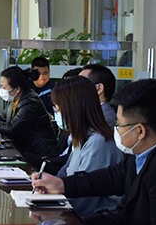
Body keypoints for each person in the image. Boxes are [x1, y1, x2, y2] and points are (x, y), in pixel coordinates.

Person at [32, 79, 156, 225]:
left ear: (140, 131)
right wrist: (62, 185)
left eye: (119, 125)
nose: (116, 130)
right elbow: (114, 176)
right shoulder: (141, 151)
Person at [51, 76, 122, 216]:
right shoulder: (82, 137)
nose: (57, 114)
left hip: (91, 220)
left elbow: (82, 201)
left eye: (58, 110)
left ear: (73, 109)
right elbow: (65, 173)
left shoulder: (97, 143)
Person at [0, 66, 56, 157]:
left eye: (4, 87)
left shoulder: (30, 103)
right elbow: (2, 117)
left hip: (39, 153)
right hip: (25, 148)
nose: (2, 90)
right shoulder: (15, 98)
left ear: (17, 89)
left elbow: (11, 128)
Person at [79, 64, 117, 129]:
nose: (75, 90)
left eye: (80, 85)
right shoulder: (92, 113)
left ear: (99, 88)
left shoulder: (105, 117)